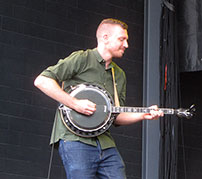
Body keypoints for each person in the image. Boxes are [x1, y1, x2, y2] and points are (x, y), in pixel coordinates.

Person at [34, 18, 163, 179]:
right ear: (105, 37)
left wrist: (144, 114)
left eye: (127, 40)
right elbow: (42, 80)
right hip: (75, 140)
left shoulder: (119, 75)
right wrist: (75, 104)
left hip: (105, 143)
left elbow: (116, 116)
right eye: (122, 39)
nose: (126, 45)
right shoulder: (82, 58)